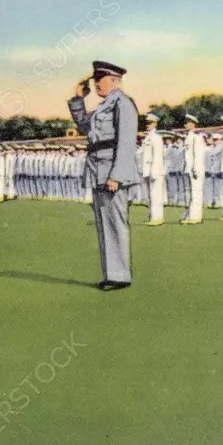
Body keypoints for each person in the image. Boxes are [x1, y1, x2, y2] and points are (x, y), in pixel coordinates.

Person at [67, 60, 141, 291]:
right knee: (104, 223)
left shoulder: (123, 104)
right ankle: (112, 273)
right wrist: (78, 99)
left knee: (115, 222)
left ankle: (120, 275)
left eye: (98, 80)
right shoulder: (103, 106)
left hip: (111, 172)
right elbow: (84, 126)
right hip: (97, 171)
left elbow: (127, 142)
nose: (96, 85)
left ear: (112, 80)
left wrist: (117, 175)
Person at [141, 112, 165, 225]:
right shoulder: (147, 138)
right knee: (150, 195)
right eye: (146, 123)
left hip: (155, 171)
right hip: (147, 170)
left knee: (156, 195)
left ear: (155, 124)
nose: (147, 125)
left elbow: (157, 156)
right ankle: (152, 216)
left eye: (150, 123)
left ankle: (157, 218)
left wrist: (155, 172)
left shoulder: (156, 138)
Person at [181, 114, 205, 223]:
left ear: (193, 123)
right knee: (191, 193)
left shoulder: (197, 135)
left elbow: (198, 154)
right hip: (189, 168)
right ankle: (190, 215)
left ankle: (195, 217)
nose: (185, 124)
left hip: (196, 168)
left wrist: (195, 168)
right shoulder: (189, 135)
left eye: (187, 122)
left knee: (196, 193)